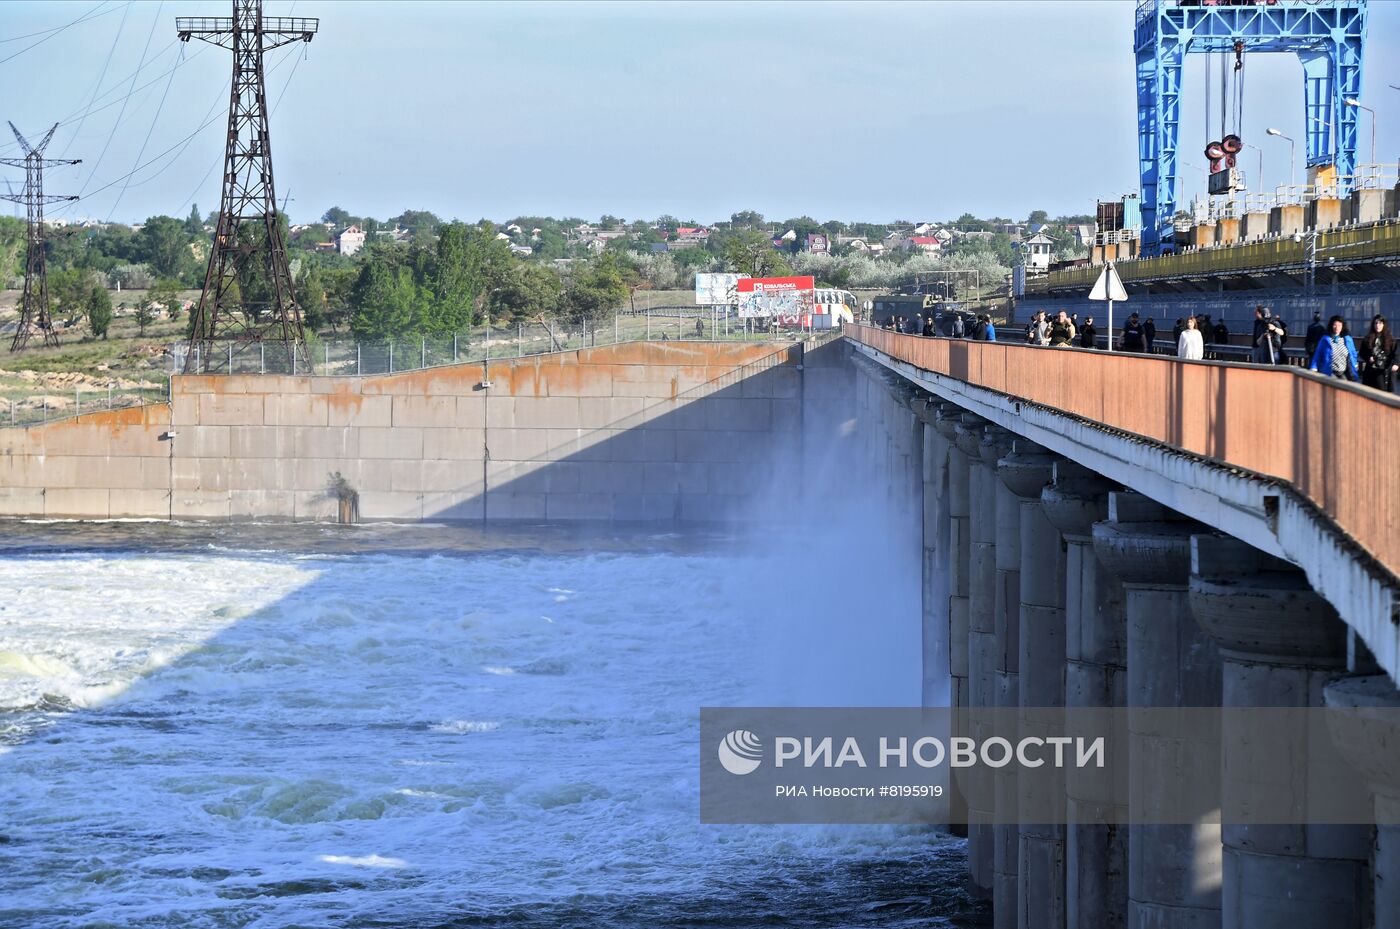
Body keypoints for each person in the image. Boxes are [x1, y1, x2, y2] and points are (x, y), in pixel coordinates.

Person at [1308, 315, 1359, 381]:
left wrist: (1355, 364)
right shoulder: (1325, 339)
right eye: (1335, 325)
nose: (1337, 327)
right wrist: (1313, 367)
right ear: (1331, 326)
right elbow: (1318, 354)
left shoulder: (1347, 339)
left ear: (1342, 326)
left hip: (1344, 372)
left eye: (1339, 325)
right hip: (1330, 372)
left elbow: (1353, 353)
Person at [1358, 314, 1398, 392]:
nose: (1377, 325)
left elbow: (1395, 353)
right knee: (1369, 393)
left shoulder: (1390, 339)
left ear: (1383, 325)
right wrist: (1368, 357)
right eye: (1376, 323)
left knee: (1381, 391)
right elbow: (1362, 353)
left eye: (1380, 323)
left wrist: (1396, 363)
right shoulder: (1368, 338)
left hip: (1384, 370)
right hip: (1371, 370)